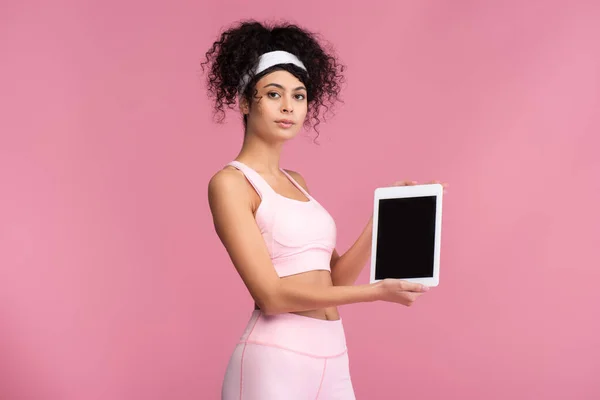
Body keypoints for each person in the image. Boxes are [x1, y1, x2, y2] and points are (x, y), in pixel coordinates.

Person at [202, 20, 440, 399]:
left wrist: (380, 221)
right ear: (246, 102)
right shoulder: (230, 184)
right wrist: (376, 292)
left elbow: (333, 280)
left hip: (332, 353)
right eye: (274, 94)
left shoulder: (297, 181)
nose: (288, 106)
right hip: (275, 360)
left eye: (299, 96)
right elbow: (272, 297)